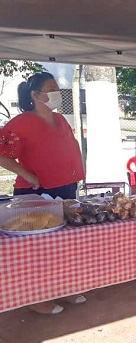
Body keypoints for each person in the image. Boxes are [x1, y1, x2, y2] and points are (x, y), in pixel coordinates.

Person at [0, 72, 86, 314]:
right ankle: (36, 298)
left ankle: (63, 288)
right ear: (36, 95)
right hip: (37, 192)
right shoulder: (22, 122)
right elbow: (2, 154)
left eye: (56, 88)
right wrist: (28, 175)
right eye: (51, 88)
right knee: (36, 249)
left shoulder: (60, 119)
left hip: (67, 188)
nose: (56, 93)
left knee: (64, 245)